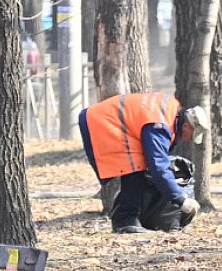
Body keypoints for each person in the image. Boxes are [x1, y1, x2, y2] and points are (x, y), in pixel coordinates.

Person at [78, 91, 209, 234]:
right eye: (192, 135)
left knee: (136, 166)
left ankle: (128, 219)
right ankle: (125, 221)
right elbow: (158, 165)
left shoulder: (170, 111)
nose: (189, 139)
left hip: (102, 119)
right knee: (135, 167)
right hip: (102, 122)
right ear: (186, 127)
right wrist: (180, 199)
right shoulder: (160, 125)